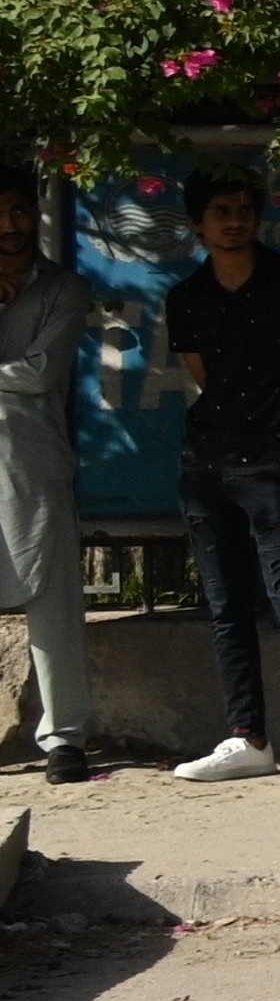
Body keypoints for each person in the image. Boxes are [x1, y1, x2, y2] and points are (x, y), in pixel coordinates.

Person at [158, 170, 280, 794]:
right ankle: (248, 739)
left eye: (244, 209)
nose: (235, 220)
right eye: (221, 211)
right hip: (208, 467)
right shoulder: (187, 297)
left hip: (278, 466)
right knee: (225, 608)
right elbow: (205, 378)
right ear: (198, 222)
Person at [0, 197, 90, 784]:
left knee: (51, 601)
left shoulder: (64, 289)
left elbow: (40, 373)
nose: (10, 226)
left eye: (18, 211)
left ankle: (65, 741)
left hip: (32, 461)